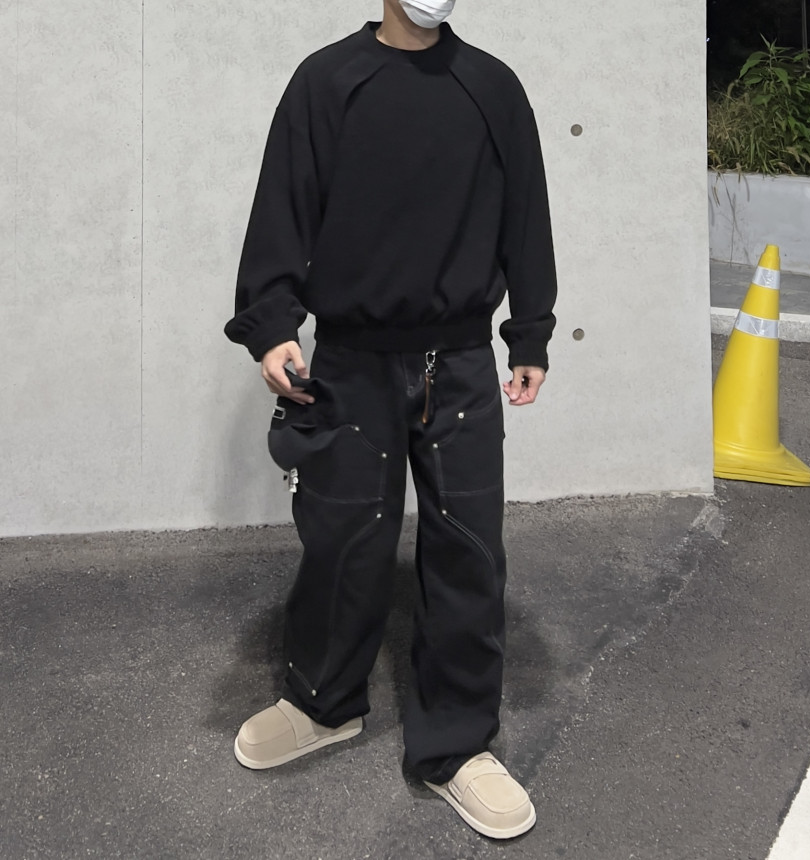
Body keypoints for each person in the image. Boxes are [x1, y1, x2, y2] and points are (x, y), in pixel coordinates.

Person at [224, 0, 557, 840]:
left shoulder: (492, 87)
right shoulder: (327, 81)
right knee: (342, 536)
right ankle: (323, 702)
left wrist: (530, 332)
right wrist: (271, 324)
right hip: (350, 361)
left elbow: (526, 216)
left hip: (461, 361)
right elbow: (283, 207)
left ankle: (457, 744)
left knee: (468, 550)